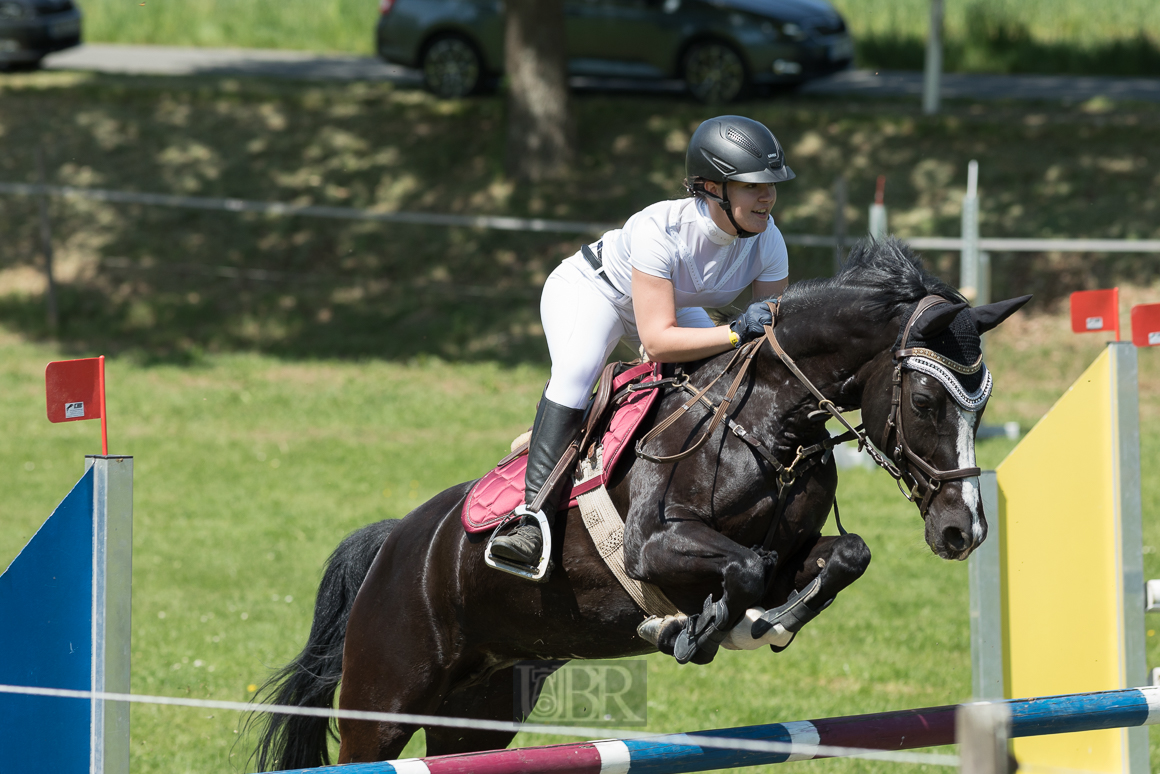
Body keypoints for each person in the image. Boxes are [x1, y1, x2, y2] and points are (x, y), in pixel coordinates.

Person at [489, 115, 795, 570]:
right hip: (594, 292)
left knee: (716, 375)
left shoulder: (769, 242)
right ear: (711, 186)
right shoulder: (660, 229)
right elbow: (658, 340)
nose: (767, 196)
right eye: (752, 185)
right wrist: (733, 331)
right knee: (576, 373)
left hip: (664, 304)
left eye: (771, 184)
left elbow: (766, 339)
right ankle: (531, 520)